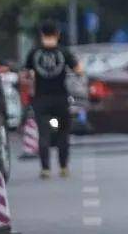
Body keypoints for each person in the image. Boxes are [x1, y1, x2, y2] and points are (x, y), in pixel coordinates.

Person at [23, 21, 83, 178]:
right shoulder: (64, 52)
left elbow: (25, 74)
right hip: (61, 98)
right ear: (57, 34)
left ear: (41, 34)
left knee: (44, 134)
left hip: (41, 99)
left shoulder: (34, 53)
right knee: (63, 133)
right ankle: (63, 167)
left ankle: (46, 169)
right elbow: (79, 70)